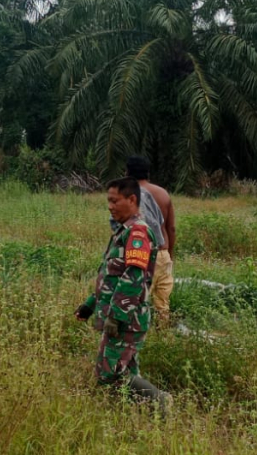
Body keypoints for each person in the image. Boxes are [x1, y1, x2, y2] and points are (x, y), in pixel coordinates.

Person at [76, 177, 171, 415]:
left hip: (127, 320)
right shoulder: (124, 231)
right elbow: (111, 279)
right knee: (127, 370)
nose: (110, 206)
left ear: (131, 199)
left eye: (114, 200)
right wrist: (89, 306)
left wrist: (116, 317)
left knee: (107, 374)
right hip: (123, 317)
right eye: (108, 200)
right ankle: (139, 416)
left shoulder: (137, 232)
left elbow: (133, 278)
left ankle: (160, 401)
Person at [126, 155, 176, 325]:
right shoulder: (162, 193)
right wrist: (169, 255)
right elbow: (171, 228)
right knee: (162, 305)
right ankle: (163, 338)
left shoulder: (128, 195)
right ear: (148, 172)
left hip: (140, 255)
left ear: (127, 173)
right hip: (162, 253)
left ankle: (137, 338)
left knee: (137, 301)